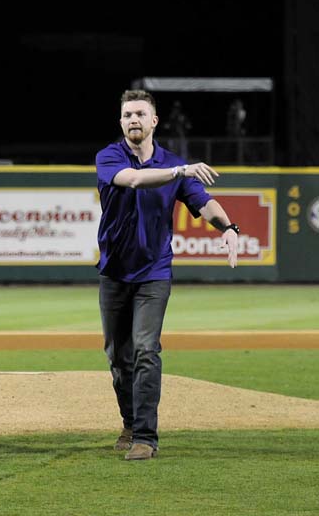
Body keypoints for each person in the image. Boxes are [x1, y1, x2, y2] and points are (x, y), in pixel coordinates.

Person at [94, 89, 239, 460]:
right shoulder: (109, 157)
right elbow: (135, 180)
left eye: (140, 114)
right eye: (127, 115)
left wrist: (229, 229)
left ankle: (145, 437)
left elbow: (204, 203)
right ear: (121, 122)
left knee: (146, 349)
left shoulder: (174, 165)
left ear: (154, 121)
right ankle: (130, 421)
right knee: (118, 356)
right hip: (114, 271)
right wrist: (180, 170)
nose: (133, 120)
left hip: (154, 272)